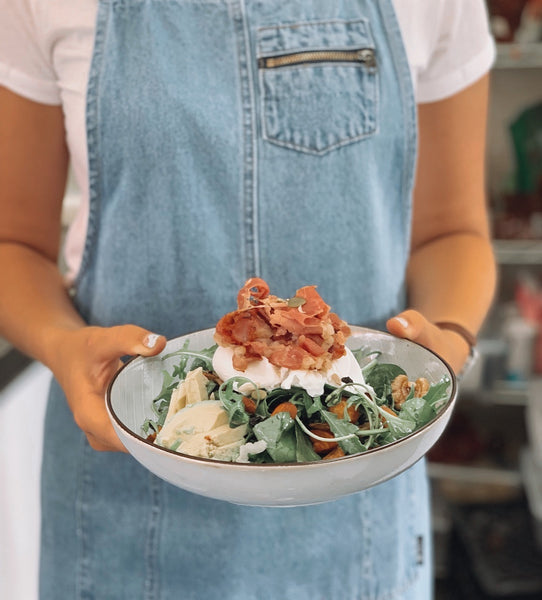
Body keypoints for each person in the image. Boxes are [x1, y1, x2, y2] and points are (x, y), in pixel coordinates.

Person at [0, 0, 497, 598]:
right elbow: (13, 240)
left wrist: (447, 337)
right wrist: (60, 344)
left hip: (356, 495)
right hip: (127, 502)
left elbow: (452, 230)